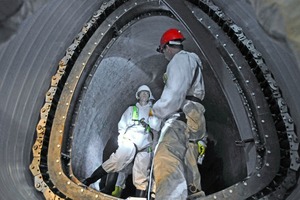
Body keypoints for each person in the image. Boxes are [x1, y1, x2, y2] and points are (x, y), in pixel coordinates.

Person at [152, 28, 207, 199]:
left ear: (168, 46)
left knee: (166, 157)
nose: (164, 55)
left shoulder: (180, 60)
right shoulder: (192, 61)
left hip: (183, 116)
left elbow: (174, 96)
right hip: (195, 118)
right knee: (189, 163)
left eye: (162, 51)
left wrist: (155, 111)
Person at [82, 85, 161, 197]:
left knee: (141, 175)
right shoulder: (131, 109)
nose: (144, 95)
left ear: (149, 96)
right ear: (138, 96)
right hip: (130, 141)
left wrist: (154, 143)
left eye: (146, 93)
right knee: (116, 161)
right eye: (142, 93)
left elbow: (156, 129)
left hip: (145, 145)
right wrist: (121, 139)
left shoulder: (151, 111)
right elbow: (122, 126)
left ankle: (140, 197)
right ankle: (89, 181)